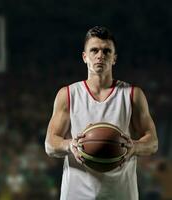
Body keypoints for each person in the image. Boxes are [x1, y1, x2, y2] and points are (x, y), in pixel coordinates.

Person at [45, 26, 158, 200]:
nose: (100, 55)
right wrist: (70, 145)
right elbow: (50, 144)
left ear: (114, 58)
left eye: (106, 51)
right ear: (84, 57)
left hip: (121, 193)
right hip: (77, 193)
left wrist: (134, 146)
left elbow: (152, 142)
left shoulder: (132, 94)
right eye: (94, 50)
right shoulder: (68, 94)